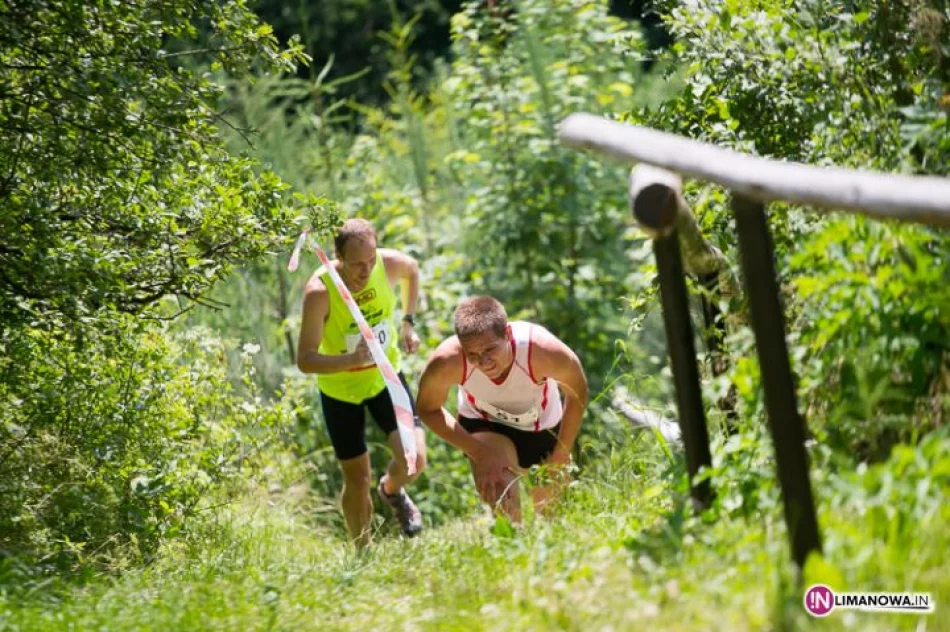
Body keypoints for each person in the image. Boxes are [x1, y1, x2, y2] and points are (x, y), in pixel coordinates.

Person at [297, 218, 426, 545]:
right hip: (341, 392)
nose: (366, 270)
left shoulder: (388, 263)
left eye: (371, 261)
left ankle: (392, 491)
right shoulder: (319, 292)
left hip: (386, 378)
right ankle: (362, 551)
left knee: (415, 461)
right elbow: (305, 359)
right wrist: (350, 361)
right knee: (356, 479)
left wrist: (408, 322)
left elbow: (412, 270)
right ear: (337, 257)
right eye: (356, 264)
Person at [416, 295, 588, 522]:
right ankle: (510, 544)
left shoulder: (542, 350)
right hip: (486, 424)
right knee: (503, 500)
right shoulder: (447, 361)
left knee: (550, 516)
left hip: (542, 428)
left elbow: (578, 390)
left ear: (507, 334)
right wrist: (479, 453)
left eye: (490, 350)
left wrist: (562, 452)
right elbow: (427, 409)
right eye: (473, 355)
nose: (484, 363)